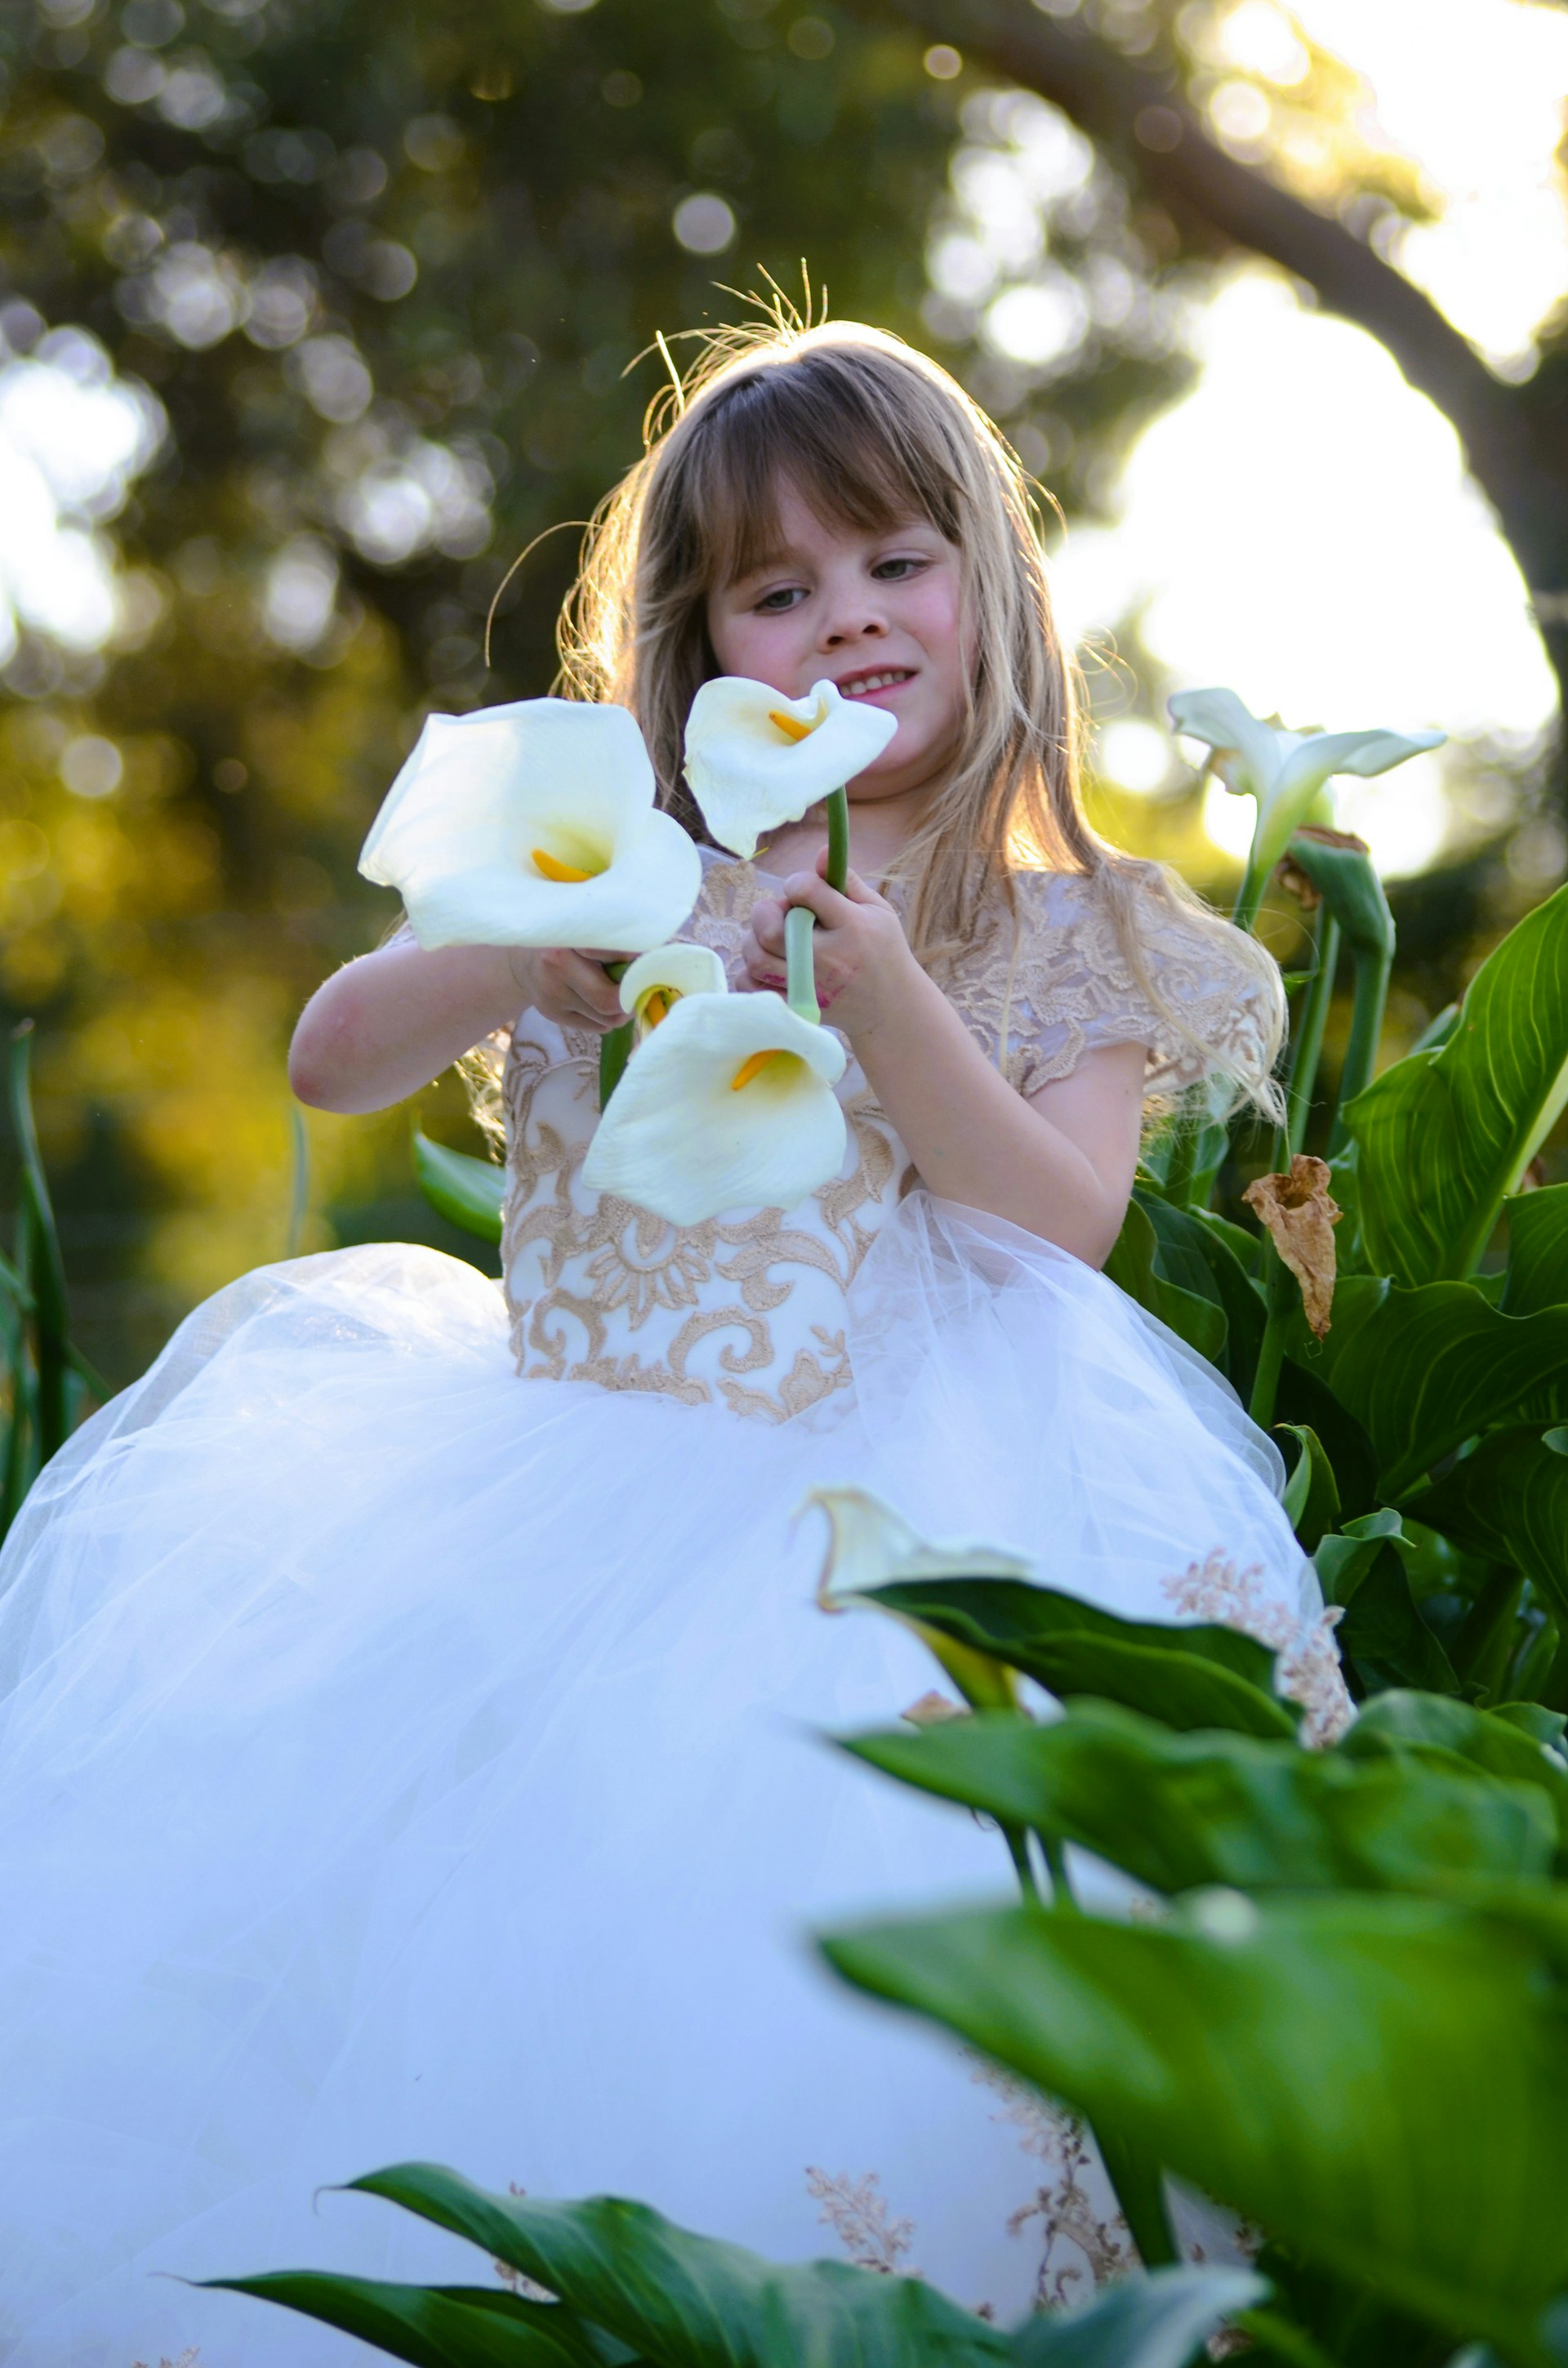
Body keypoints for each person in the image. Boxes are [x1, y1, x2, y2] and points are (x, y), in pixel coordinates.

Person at [0, 319, 1343, 2361]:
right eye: (779, 591)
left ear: (987, 580)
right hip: (574, 1501)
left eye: (896, 562)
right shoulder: (641, 866)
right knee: (516, 1964)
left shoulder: (1063, 921)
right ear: (705, 647)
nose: (850, 621)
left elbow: (1059, 1222)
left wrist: (886, 994)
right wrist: (518, 941)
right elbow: (330, 1056)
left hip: (912, 1519)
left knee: (832, 1994)